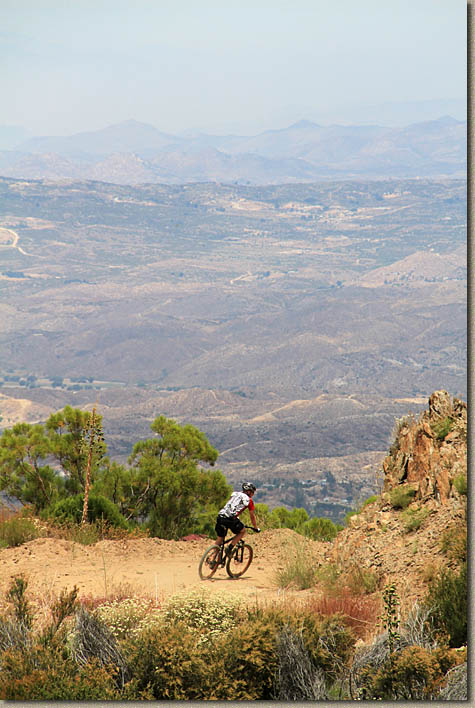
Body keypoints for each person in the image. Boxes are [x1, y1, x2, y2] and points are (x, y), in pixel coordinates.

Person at [215, 482, 260, 556]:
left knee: (220, 538)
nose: (253, 494)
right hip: (230, 519)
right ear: (249, 492)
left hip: (221, 516)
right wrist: (255, 527)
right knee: (242, 531)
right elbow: (252, 516)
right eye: (252, 493)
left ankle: (212, 558)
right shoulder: (249, 500)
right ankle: (229, 548)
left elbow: (230, 506)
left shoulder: (234, 494)